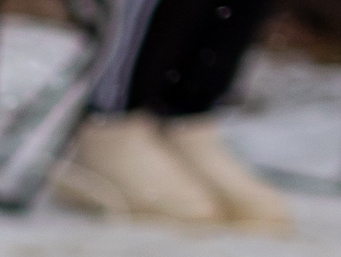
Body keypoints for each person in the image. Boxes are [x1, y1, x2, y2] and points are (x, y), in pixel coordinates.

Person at [53, 0, 294, 227]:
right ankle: (107, 125)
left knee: (249, 211)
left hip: (185, 123)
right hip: (111, 121)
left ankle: (182, 119)